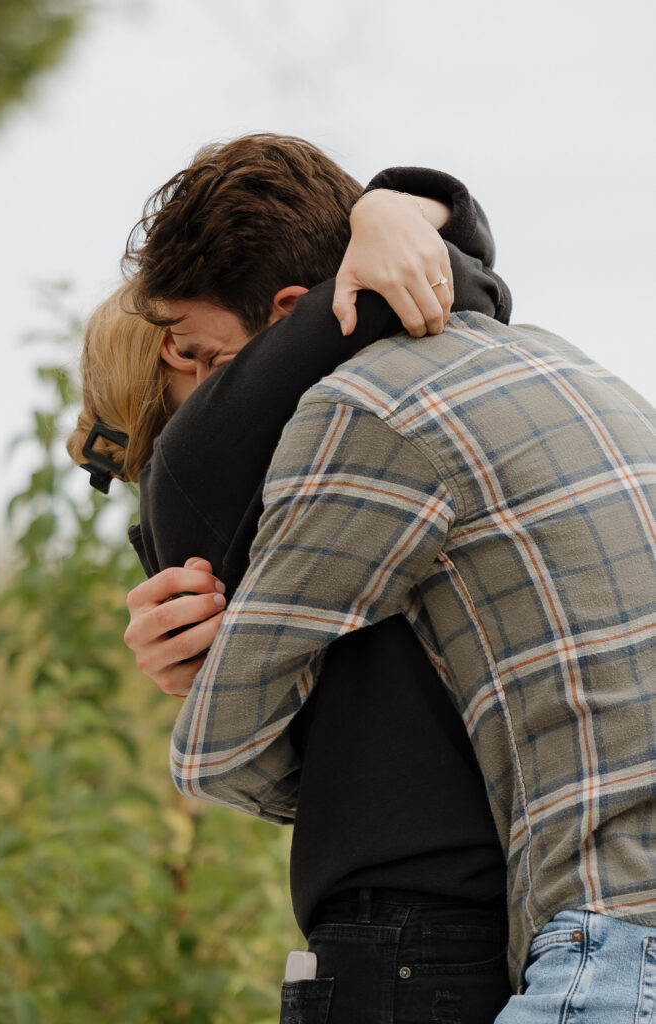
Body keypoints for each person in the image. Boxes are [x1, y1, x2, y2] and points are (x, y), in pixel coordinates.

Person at [123, 133, 656, 1022]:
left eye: (208, 360)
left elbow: (218, 753)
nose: (216, 397)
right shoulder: (564, 362)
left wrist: (204, 667)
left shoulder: (364, 409)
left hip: (608, 948)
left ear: (294, 315)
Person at [70, 138, 515, 1023]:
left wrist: (397, 211)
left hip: (414, 921)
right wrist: (411, 210)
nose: (226, 398)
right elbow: (460, 290)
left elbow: (261, 777)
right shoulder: (246, 479)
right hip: (457, 913)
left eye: (210, 361)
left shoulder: (333, 450)